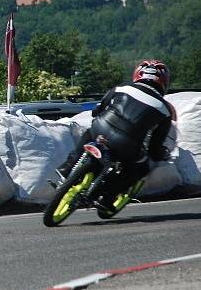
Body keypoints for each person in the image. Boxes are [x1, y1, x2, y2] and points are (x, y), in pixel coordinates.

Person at [56, 59, 174, 212]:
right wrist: (158, 155)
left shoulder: (121, 88)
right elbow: (155, 146)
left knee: (89, 133)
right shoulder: (165, 109)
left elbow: (98, 110)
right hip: (127, 143)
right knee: (140, 168)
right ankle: (107, 197)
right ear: (164, 81)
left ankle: (68, 166)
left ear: (137, 75)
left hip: (101, 128)